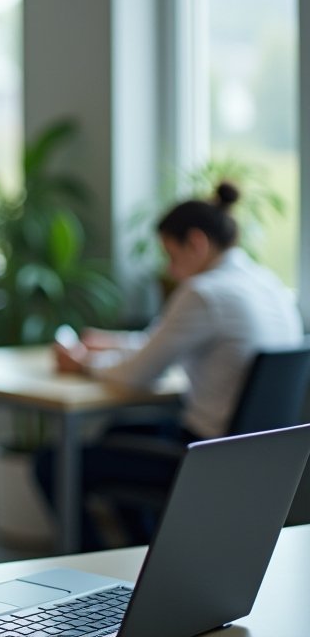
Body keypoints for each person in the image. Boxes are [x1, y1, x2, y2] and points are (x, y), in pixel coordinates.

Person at [36, 182, 303, 549]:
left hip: (202, 456)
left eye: (171, 255)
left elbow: (138, 374)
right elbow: (165, 340)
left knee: (53, 463)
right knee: (115, 434)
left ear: (196, 242)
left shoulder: (204, 292)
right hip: (254, 457)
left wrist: (82, 363)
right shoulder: (267, 284)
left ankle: (94, 567)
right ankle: (144, 554)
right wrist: (113, 342)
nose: (172, 271)